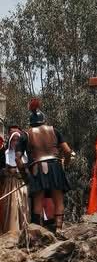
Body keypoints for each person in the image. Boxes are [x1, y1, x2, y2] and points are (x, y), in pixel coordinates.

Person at [16, 100, 74, 233]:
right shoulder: (54, 130)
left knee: (38, 200)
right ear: (43, 121)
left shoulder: (25, 134)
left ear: (31, 122)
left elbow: (17, 159)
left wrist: (25, 176)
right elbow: (67, 151)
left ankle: (38, 232)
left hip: (37, 169)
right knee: (58, 199)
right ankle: (59, 229)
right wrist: (66, 163)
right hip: (56, 166)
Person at [0, 124, 29, 237]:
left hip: (21, 184)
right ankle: (10, 232)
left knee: (23, 206)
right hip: (9, 185)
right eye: (13, 140)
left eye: (18, 140)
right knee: (10, 208)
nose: (15, 142)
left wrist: (22, 172)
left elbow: (28, 169)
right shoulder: (5, 154)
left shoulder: (25, 155)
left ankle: (24, 232)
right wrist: (6, 171)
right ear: (10, 140)